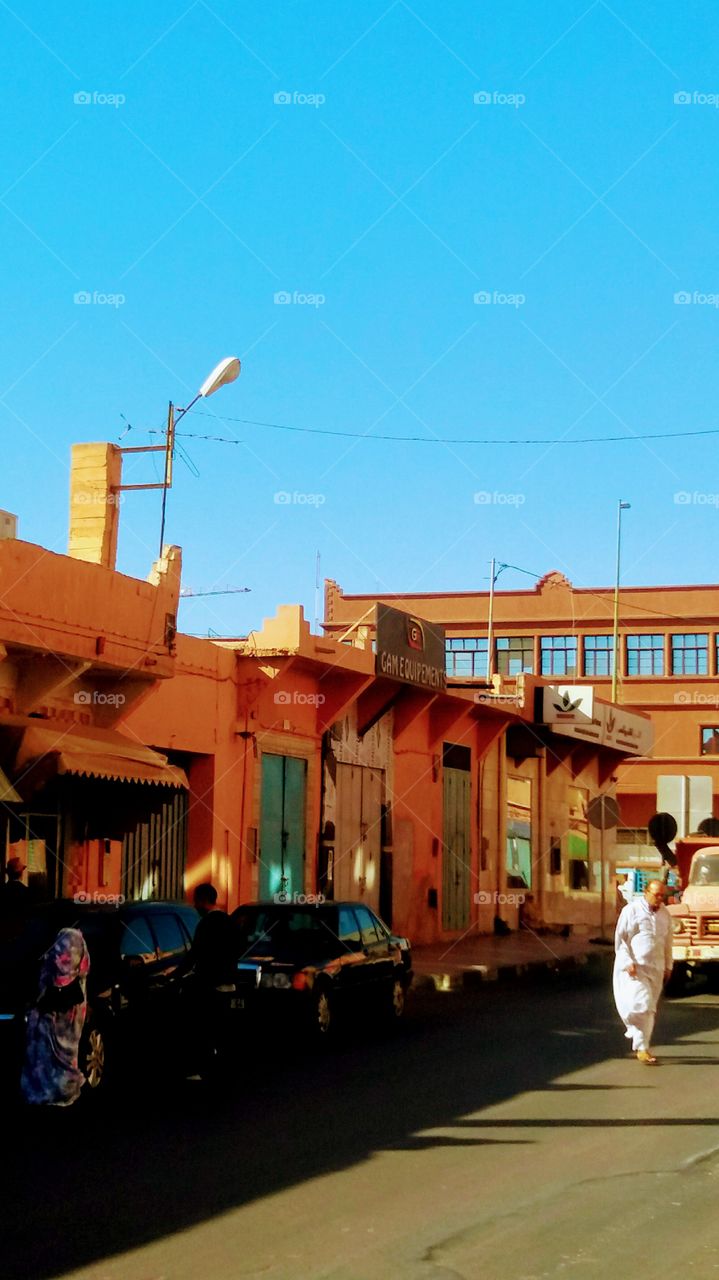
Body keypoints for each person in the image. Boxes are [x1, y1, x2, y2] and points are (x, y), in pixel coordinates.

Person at [21, 927, 90, 1106]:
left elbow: (58, 975)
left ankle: (51, 1090)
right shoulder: (79, 950)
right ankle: (62, 1090)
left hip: (61, 1011)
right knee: (66, 1051)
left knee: (53, 1053)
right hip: (70, 1011)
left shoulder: (54, 957)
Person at [613, 879, 672, 1065]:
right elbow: (620, 939)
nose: (660, 899)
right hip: (636, 967)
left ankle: (642, 1048)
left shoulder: (665, 914)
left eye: (663, 895)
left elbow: (668, 942)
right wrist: (627, 961)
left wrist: (669, 965)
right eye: (656, 895)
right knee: (641, 1004)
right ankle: (633, 1029)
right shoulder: (631, 911)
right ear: (646, 892)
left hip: (657, 968)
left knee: (649, 1010)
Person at [183, 883, 236, 1079]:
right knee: (222, 1029)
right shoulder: (229, 922)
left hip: (209, 985)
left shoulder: (205, 925)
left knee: (202, 1028)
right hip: (228, 983)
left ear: (203, 901)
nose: (194, 904)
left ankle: (200, 1069)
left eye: (196, 900)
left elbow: (195, 954)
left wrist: (176, 975)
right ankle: (223, 1068)